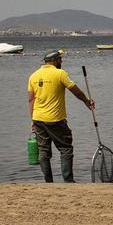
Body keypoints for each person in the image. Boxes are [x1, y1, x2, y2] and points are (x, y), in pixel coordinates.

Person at [28, 49, 95, 183]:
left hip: (38, 118)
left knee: (43, 150)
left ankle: (48, 182)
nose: (61, 61)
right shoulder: (60, 73)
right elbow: (75, 90)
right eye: (60, 59)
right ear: (53, 60)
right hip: (55, 119)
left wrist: (33, 120)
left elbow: (31, 100)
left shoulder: (33, 76)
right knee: (66, 148)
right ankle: (68, 180)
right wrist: (86, 101)